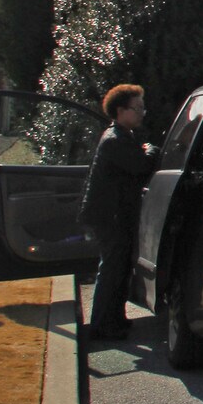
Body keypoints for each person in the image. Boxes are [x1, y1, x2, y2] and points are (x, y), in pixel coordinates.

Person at [80, 84, 156, 342]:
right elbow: (142, 164)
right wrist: (151, 150)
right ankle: (101, 324)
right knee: (112, 269)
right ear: (121, 110)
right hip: (109, 216)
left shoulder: (123, 136)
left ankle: (114, 317)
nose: (142, 112)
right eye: (138, 108)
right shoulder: (115, 141)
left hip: (115, 214)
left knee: (119, 268)